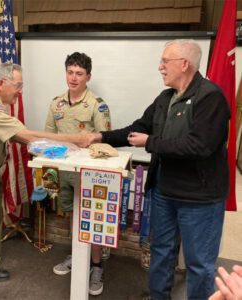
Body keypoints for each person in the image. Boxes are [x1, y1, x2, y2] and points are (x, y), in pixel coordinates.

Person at [86, 39, 231, 300]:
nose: (160, 67)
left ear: (184, 64)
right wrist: (100, 137)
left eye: (165, 61)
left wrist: (150, 143)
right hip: (164, 192)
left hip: (200, 199)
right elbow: (138, 128)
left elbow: (199, 146)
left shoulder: (211, 97)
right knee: (161, 252)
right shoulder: (165, 99)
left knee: (199, 265)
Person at [0, 62, 89, 300]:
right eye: (18, 86)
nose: (20, 91)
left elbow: (20, 138)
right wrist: (73, 139)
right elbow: (26, 136)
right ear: (2, 83)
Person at [45, 52, 111, 296]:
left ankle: (96, 266)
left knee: (91, 221)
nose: (73, 78)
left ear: (88, 77)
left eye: (79, 74)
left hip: (88, 174)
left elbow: (103, 142)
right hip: (62, 173)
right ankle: (76, 255)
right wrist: (48, 175)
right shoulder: (56, 103)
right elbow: (47, 139)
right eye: (70, 72)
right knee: (71, 216)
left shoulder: (97, 104)